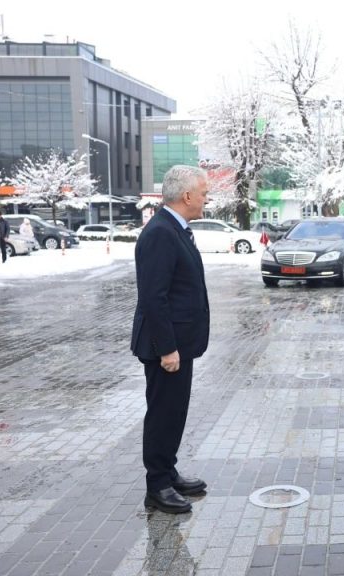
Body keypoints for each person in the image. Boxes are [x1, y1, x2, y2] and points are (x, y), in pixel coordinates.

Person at [131, 165, 211, 514]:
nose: (207, 199)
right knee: (163, 413)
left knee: (174, 411)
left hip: (180, 344)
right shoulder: (161, 232)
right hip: (167, 348)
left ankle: (168, 470)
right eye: (204, 193)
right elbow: (153, 296)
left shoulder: (176, 229)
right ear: (187, 196)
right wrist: (167, 348)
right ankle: (157, 485)